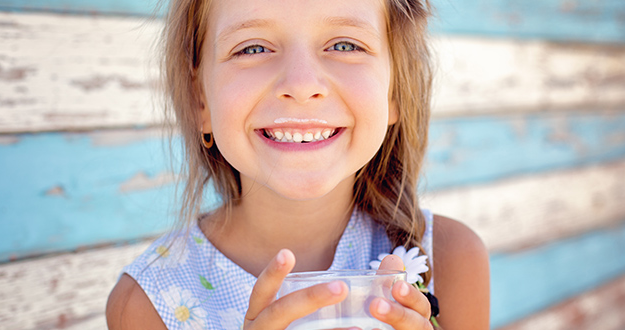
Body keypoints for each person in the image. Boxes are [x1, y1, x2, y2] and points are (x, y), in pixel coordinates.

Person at [106, 0, 490, 328]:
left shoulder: (451, 260)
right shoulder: (148, 302)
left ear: (394, 90)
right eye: (252, 48)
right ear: (200, 101)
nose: (302, 84)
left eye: (345, 44)